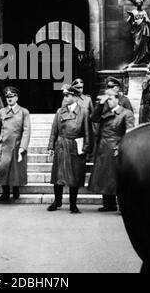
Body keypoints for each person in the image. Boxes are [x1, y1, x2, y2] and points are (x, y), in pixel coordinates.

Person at [89, 90, 135, 212]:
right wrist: (100, 104)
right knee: (104, 176)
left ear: (117, 99)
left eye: (110, 99)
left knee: (115, 177)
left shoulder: (126, 113)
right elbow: (93, 118)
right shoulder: (105, 112)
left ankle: (121, 205)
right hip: (103, 148)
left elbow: (129, 132)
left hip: (116, 147)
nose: (108, 101)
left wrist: (122, 147)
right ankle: (108, 205)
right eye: (107, 99)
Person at [47, 85, 91, 214]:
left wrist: (86, 148)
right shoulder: (60, 111)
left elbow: (88, 132)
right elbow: (54, 131)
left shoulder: (84, 112)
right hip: (61, 144)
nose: (65, 98)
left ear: (75, 97)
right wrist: (51, 146)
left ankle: (73, 204)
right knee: (58, 175)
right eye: (64, 96)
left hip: (75, 145)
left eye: (67, 95)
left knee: (75, 176)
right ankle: (57, 201)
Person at [0, 87, 31, 201]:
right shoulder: (2, 111)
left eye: (12, 96)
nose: (9, 99)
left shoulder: (24, 112)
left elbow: (26, 130)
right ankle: (5, 192)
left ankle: (16, 189)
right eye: (7, 97)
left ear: (17, 97)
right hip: (4, 144)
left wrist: (23, 146)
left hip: (16, 144)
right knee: (3, 168)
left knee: (16, 169)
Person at [127, 0, 150, 65]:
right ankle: (136, 59)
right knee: (136, 45)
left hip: (143, 31)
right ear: (136, 4)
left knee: (143, 45)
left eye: (140, 2)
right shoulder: (134, 12)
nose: (138, 4)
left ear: (142, 4)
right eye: (137, 3)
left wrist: (145, 18)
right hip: (136, 31)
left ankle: (142, 59)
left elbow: (148, 21)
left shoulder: (144, 12)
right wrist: (131, 16)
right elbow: (128, 21)